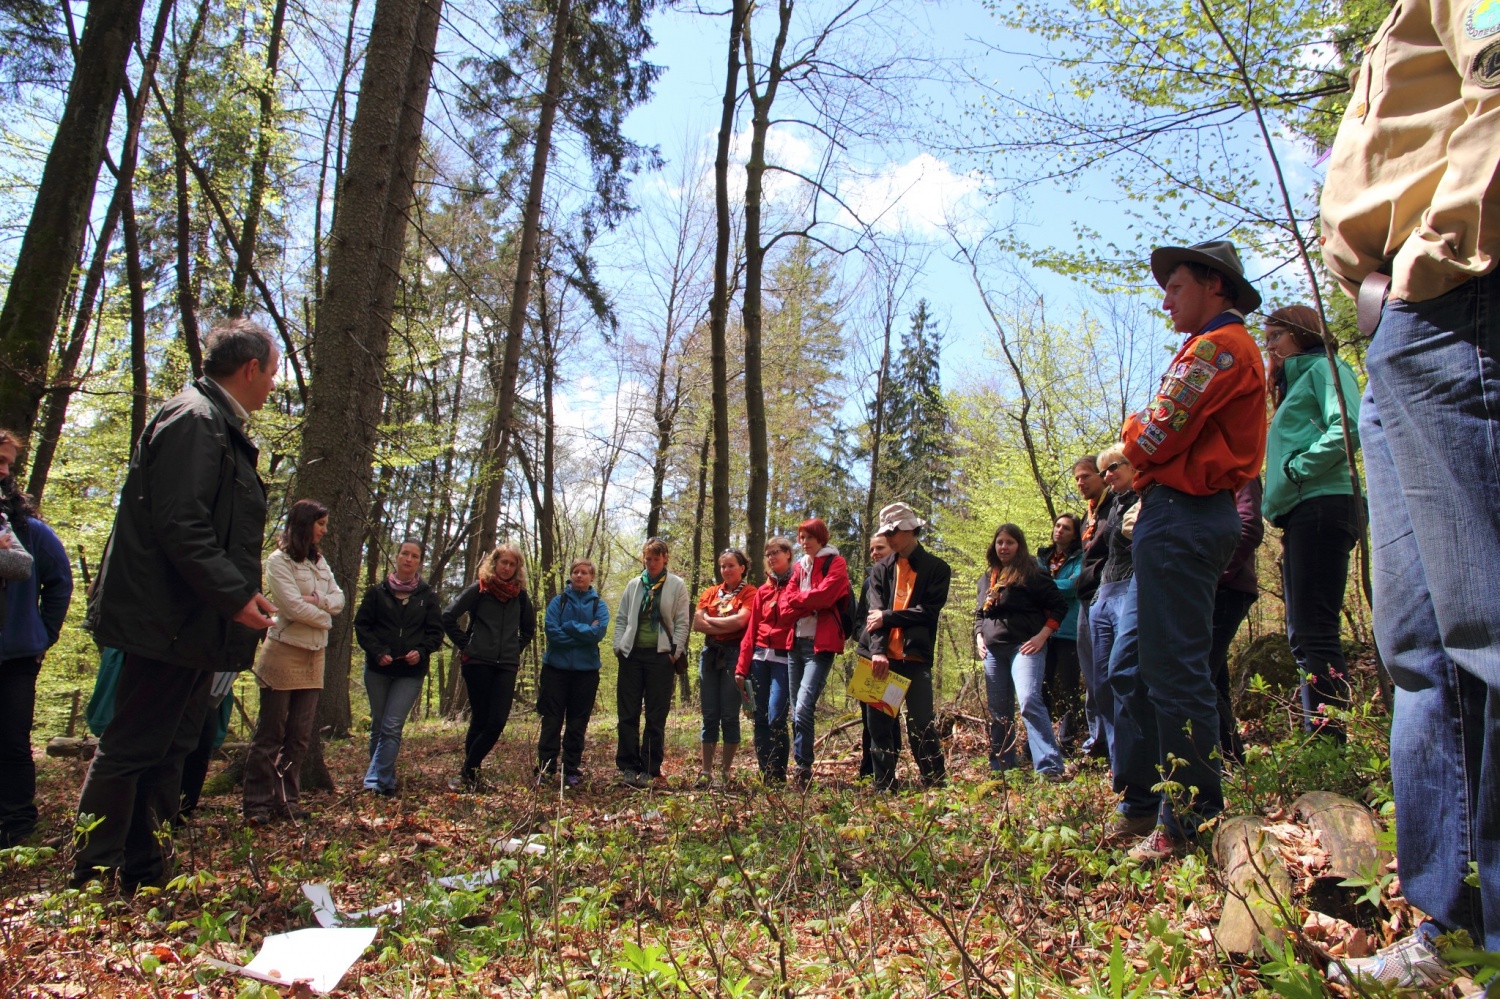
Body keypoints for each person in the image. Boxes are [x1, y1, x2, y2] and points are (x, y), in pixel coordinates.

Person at [1319, 3, 1500, 984]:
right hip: (1404, 331)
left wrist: (1441, 252)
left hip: (1454, 305)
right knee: (1422, 649)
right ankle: (1450, 922)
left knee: (1487, 627)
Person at [76, 318, 277, 890]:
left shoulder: (219, 425)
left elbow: (215, 530)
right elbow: (181, 524)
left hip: (192, 622)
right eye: (271, 374)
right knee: (134, 744)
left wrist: (237, 595)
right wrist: (234, 595)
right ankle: (93, 876)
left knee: (172, 746)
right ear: (249, 368)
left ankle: (145, 868)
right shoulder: (194, 420)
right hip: (162, 618)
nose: (271, 388)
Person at [1116, 239, 1266, 862]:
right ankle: (1156, 805)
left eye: (1176, 286)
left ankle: (1191, 818)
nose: (1166, 298)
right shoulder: (1214, 348)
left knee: (1175, 668)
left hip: (1186, 514)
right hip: (1178, 514)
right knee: (1152, 665)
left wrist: (1129, 440)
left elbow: (1154, 432)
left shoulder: (1217, 348)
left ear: (1216, 286)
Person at [1261, 305, 1362, 742]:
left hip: (1323, 503)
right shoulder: (1299, 381)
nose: (1271, 349)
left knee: (1313, 632)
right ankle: (1322, 742)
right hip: (1306, 511)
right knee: (1304, 633)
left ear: (1301, 334)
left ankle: (1329, 747)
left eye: (1275, 337)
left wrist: (1297, 469)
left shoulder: (1325, 367)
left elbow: (1349, 425)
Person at [243, 500, 345, 824]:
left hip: (314, 654)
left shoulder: (319, 561)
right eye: (320, 524)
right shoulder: (277, 561)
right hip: (284, 650)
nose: (324, 531)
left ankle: (286, 801)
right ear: (304, 523)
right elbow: (289, 607)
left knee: (299, 736)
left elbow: (339, 600)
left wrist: (319, 602)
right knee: (271, 733)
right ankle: (257, 805)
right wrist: (325, 618)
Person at [0, 431, 71, 847]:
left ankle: (18, 827)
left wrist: (43, 634)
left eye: (9, 463)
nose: (5, 471)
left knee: (11, 739)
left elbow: (60, 582)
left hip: (16, 656)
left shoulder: (31, 533)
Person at [858, 502, 951, 791]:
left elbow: (928, 611)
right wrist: (878, 651)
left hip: (915, 657)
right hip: (877, 656)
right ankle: (884, 784)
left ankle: (934, 781)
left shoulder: (937, 568)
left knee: (921, 723)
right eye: (887, 532)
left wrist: (889, 617)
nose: (890, 538)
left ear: (911, 529)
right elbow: (873, 616)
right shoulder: (880, 569)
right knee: (879, 726)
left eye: (894, 531)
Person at [974, 523, 1069, 780]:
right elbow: (979, 614)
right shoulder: (987, 578)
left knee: (1028, 700)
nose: (1004, 547)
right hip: (992, 651)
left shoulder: (1032, 573)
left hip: (1025, 647)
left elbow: (1059, 606)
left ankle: (1050, 767)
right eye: (1000, 542)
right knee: (999, 711)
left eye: (1010, 542)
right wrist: (979, 637)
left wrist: (1042, 636)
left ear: (1019, 545)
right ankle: (1003, 768)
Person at [354, 539, 445, 797]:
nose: (408, 559)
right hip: (378, 669)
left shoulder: (427, 597)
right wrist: (378, 651)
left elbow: (435, 633)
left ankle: (373, 780)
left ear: (419, 562)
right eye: (405, 553)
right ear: (397, 556)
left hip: (410, 672)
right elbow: (362, 626)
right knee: (379, 725)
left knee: (392, 725)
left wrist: (422, 651)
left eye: (414, 556)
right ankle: (386, 778)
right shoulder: (377, 592)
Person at [443, 543, 536, 791]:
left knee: (496, 722)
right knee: (481, 719)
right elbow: (448, 616)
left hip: (506, 664)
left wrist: (515, 648)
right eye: (503, 562)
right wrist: (467, 645)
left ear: (517, 568)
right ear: (494, 563)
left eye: (512, 564)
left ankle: (466, 772)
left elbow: (529, 629)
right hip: (477, 663)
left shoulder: (520, 596)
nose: (506, 567)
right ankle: (471, 777)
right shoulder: (480, 590)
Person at [612, 537, 690, 789]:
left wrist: (675, 652)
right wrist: (618, 645)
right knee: (627, 713)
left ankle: (649, 768)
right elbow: (622, 618)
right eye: (648, 558)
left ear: (665, 558)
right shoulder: (635, 584)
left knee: (656, 716)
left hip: (661, 657)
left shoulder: (676, 585)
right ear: (643, 559)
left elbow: (681, 621)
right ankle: (628, 766)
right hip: (632, 655)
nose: (652, 563)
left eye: (657, 558)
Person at [780, 518, 851, 787]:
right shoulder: (799, 567)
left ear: (821, 538)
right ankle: (801, 768)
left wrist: (805, 601)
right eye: (801, 537)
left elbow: (826, 597)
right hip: (794, 644)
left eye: (809, 537)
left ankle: (803, 768)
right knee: (794, 710)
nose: (804, 542)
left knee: (803, 706)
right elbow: (785, 606)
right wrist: (808, 604)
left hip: (820, 645)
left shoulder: (836, 563)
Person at [536, 558, 610, 788]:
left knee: (577, 723)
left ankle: (571, 769)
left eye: (584, 572)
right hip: (555, 670)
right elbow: (553, 633)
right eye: (576, 572)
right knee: (552, 721)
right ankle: (546, 769)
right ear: (570, 575)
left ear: (592, 577)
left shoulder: (600, 605)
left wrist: (569, 626)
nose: (579, 576)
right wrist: (585, 632)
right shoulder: (558, 602)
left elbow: (598, 634)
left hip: (586, 673)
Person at [1208, 478, 1263, 765]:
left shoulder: (1241, 474)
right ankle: (1231, 757)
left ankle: (1224, 758)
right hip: (1210, 588)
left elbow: (1250, 526)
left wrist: (1213, 576)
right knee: (1214, 676)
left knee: (1199, 673)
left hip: (1228, 588)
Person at [692, 549, 756, 786]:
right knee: (709, 715)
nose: (726, 570)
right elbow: (697, 624)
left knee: (729, 715)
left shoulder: (750, 593)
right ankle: (706, 772)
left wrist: (711, 621)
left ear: (742, 568)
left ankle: (725, 773)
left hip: (735, 655)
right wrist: (721, 625)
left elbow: (741, 621)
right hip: (710, 655)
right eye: (722, 566)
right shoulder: (710, 593)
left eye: (731, 565)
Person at [735, 539, 797, 783]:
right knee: (759, 718)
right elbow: (751, 632)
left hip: (784, 659)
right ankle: (766, 774)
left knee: (776, 716)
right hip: (759, 660)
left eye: (776, 553)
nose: (771, 558)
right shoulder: (763, 590)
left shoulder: (798, 584)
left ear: (788, 555)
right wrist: (741, 667)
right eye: (768, 554)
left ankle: (779, 774)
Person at [1071, 456, 1115, 759]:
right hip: (1085, 600)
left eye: (1086, 476)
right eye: (1076, 478)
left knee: (1109, 672)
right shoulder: (1088, 516)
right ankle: (1098, 741)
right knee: (1092, 675)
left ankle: (1116, 744)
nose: (1080, 482)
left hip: (1107, 594)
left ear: (1102, 476)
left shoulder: (1115, 508)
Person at [1036, 513, 1084, 747]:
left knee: (1069, 688)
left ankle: (1067, 740)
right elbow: (1030, 585)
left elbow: (1074, 586)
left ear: (1075, 534)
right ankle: (1039, 742)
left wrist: (1045, 585)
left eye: (1066, 528)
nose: (1060, 531)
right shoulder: (1042, 557)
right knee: (1041, 687)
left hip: (1068, 630)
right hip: (1041, 631)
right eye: (1057, 526)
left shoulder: (1079, 557)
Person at [852, 533, 897, 779]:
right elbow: (860, 617)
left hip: (895, 656)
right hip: (867, 655)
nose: (874, 553)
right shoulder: (869, 581)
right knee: (868, 718)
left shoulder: (901, 580)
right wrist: (864, 635)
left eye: (880, 548)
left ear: (894, 548)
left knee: (888, 716)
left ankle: (889, 771)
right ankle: (867, 770)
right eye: (871, 549)